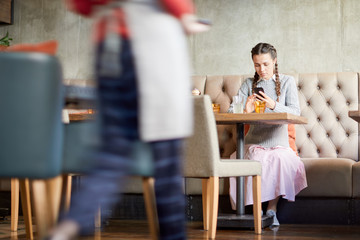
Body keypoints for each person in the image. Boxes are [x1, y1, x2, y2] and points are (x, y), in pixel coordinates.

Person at [48, 0, 210, 239]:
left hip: (108, 49)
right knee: (166, 165)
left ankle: (68, 226)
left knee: (111, 157)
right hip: (151, 46)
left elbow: (80, 5)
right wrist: (184, 13)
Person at [228, 42, 307, 227]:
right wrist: (245, 111)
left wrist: (273, 105)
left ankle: (271, 209)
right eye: (257, 65)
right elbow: (232, 111)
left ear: (274, 61)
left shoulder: (287, 82)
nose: (261, 69)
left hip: (279, 143)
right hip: (254, 143)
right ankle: (258, 211)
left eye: (265, 64)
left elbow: (295, 112)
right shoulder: (249, 83)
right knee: (257, 158)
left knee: (279, 158)